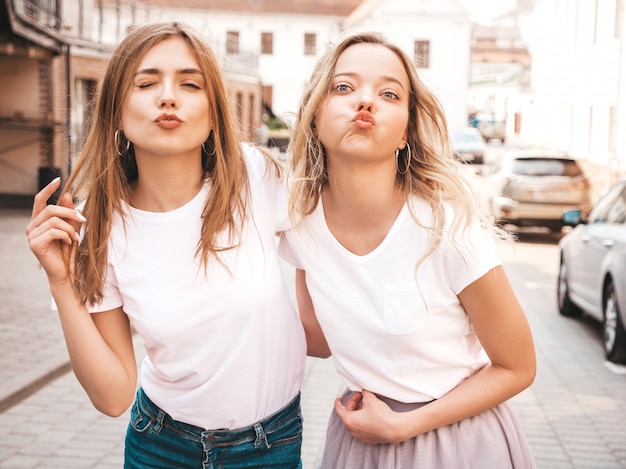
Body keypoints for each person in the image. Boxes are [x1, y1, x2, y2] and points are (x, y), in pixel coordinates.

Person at [26, 22, 306, 468]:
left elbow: (334, 251)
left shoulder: (256, 177)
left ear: (213, 111)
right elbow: (114, 395)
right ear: (117, 110)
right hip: (160, 446)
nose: (168, 96)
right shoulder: (99, 226)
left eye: (189, 83)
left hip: (269, 446)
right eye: (147, 82)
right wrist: (62, 283)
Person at [279, 32, 536, 468]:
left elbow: (517, 367)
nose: (365, 102)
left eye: (388, 93)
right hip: (361, 439)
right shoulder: (301, 227)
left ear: (404, 133)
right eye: (343, 87)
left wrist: (404, 426)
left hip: (457, 441)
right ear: (315, 117)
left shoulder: (446, 229)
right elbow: (317, 340)